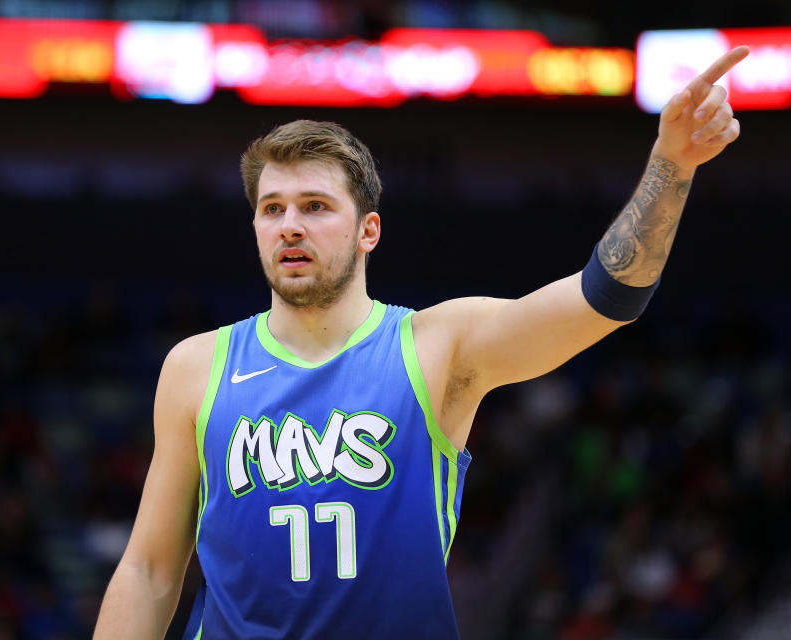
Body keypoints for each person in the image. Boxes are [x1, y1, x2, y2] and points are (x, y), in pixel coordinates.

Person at [93, 46, 750, 639]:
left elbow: (602, 300)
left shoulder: (436, 346)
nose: (290, 225)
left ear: (367, 231)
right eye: (273, 208)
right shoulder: (196, 365)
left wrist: (671, 165)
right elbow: (150, 571)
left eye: (316, 206)